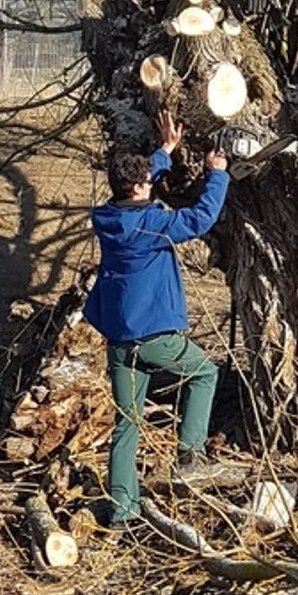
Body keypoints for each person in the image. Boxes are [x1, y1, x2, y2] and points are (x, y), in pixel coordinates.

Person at [85, 110, 235, 527]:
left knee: (126, 425)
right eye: (147, 181)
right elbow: (200, 218)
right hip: (154, 334)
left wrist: (164, 152)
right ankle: (190, 454)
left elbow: (141, 180)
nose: (152, 185)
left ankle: (122, 512)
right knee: (204, 373)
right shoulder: (151, 223)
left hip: (119, 339)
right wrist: (217, 174)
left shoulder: (109, 217)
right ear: (137, 187)